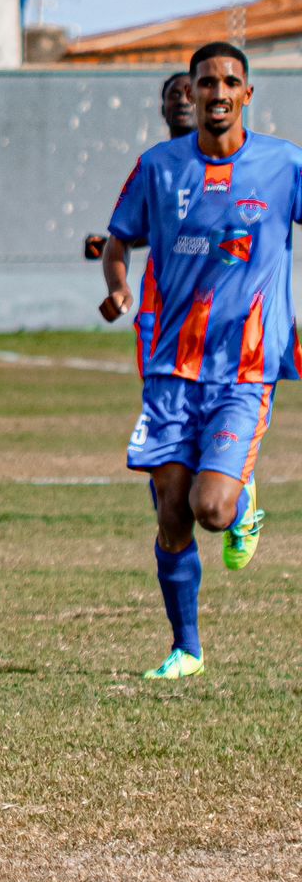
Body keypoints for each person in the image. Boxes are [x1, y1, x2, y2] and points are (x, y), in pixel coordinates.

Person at [99, 42, 302, 680]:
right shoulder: (158, 168)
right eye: (205, 82)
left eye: (230, 82)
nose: (217, 92)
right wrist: (117, 286)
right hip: (170, 368)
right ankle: (186, 648)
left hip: (244, 366)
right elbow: (116, 238)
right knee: (170, 509)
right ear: (189, 92)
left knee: (211, 509)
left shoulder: (283, 165)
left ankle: (241, 505)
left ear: (247, 94)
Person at [85, 71, 197, 376]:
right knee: (162, 411)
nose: (183, 100)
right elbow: (127, 235)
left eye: (189, 92)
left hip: (217, 314)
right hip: (160, 307)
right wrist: (118, 285)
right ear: (162, 109)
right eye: (174, 94)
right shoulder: (153, 165)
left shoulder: (236, 166)